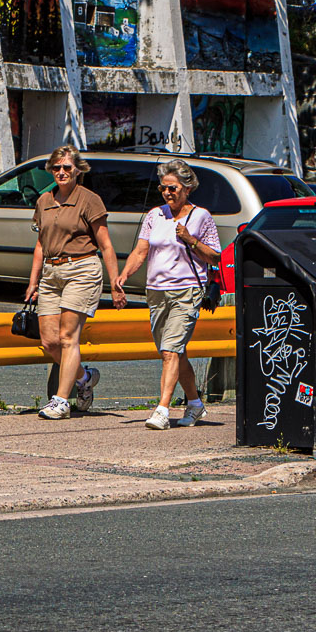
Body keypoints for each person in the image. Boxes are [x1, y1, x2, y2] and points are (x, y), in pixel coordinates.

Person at [113, 159, 222, 430]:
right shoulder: (154, 215)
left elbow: (215, 257)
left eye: (172, 188)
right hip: (156, 291)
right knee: (173, 352)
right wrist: (124, 275)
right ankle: (195, 404)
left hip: (187, 290)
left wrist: (191, 239)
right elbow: (141, 251)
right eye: (163, 188)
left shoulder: (201, 217)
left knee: (170, 350)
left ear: (187, 188)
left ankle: (162, 410)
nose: (167, 193)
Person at [24, 145, 127, 420]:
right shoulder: (44, 200)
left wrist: (115, 283)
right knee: (49, 341)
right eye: (56, 167)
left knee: (69, 337)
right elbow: (39, 244)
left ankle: (61, 401)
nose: (61, 172)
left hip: (82, 269)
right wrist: (33, 281)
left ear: (78, 170)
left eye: (67, 167)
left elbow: (105, 244)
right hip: (50, 272)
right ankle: (85, 379)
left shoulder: (89, 200)